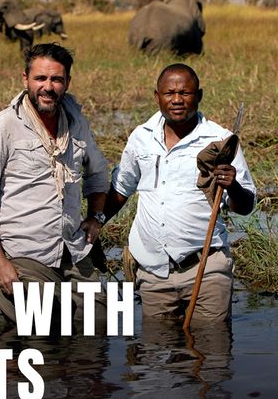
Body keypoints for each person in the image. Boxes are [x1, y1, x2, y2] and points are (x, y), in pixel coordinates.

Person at [0, 43, 108, 323]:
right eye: (40, 78)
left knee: (100, 322)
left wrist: (96, 217)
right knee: (41, 329)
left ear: (67, 82)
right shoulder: (3, 126)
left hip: (72, 248)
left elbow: (98, 174)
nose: (48, 87)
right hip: (23, 254)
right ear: (25, 79)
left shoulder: (77, 122)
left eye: (56, 79)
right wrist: (0, 264)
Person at [103, 63, 256, 322]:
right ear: (157, 97)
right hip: (152, 271)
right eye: (169, 93)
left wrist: (233, 185)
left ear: (199, 96)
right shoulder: (141, 137)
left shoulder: (220, 140)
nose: (176, 100)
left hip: (205, 268)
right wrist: (94, 224)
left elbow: (245, 206)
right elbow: (121, 189)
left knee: (211, 352)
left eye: (185, 93)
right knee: (156, 352)